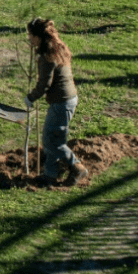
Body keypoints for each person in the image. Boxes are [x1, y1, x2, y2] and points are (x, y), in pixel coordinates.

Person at [24, 18, 87, 183]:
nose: (29, 38)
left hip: (62, 102)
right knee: (52, 138)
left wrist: (31, 97)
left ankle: (77, 167)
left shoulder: (47, 56)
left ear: (38, 37)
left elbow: (44, 84)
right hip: (66, 99)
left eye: (30, 35)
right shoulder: (58, 48)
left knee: (51, 141)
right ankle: (50, 175)